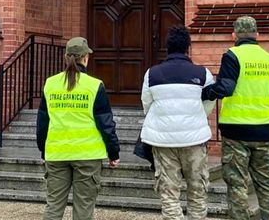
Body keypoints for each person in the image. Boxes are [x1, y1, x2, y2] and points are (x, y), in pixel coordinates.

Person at [203, 16, 269, 220]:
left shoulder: (233, 55)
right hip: (265, 131)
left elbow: (226, 88)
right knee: (267, 185)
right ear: (257, 35)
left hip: (236, 131)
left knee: (237, 185)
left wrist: (205, 93)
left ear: (234, 35)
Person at [36, 37, 120, 220]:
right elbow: (106, 123)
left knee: (53, 207)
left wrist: (44, 151)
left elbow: (43, 123)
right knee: (83, 209)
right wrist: (114, 152)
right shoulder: (94, 85)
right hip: (88, 155)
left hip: (57, 153)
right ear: (85, 58)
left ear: (66, 58)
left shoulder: (50, 84)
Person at [140, 25, 216, 220]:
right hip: (194, 140)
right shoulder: (202, 73)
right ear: (188, 48)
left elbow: (147, 104)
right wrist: (197, 117)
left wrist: (161, 119)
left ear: (167, 47)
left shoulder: (152, 74)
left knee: (169, 194)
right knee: (197, 191)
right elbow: (209, 102)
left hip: (163, 141)